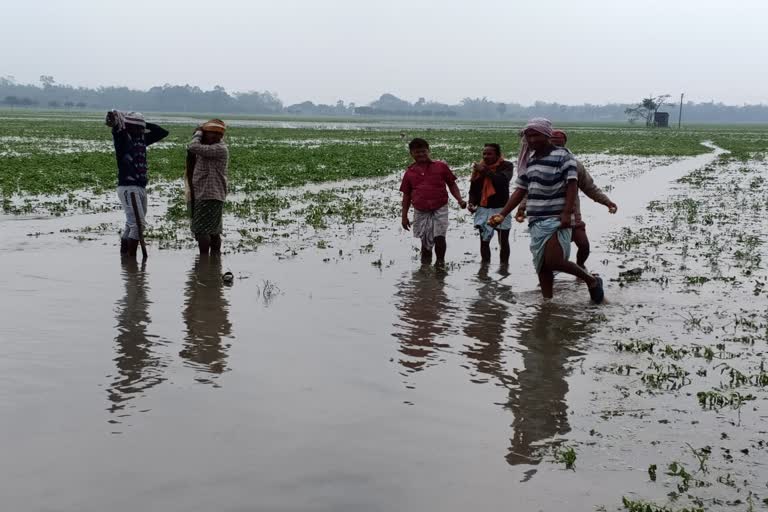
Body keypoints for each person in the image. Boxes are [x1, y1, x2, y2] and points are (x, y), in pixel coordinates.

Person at [489, 118, 604, 303]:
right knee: (542, 266)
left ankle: (591, 280)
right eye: (529, 136)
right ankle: (547, 303)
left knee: (554, 261)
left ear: (547, 135)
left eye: (536, 135)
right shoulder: (530, 160)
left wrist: (567, 213)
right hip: (536, 218)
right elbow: (520, 190)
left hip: (557, 217)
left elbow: (572, 185)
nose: (532, 140)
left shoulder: (564, 156)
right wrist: (503, 213)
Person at [515, 129, 617, 269]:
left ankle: (581, 268)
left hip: (571, 215)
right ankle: (553, 280)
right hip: (546, 217)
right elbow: (529, 189)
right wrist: (522, 206)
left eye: (560, 145)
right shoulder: (535, 162)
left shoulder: (573, 164)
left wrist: (607, 202)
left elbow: (589, 187)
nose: (558, 148)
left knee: (583, 244)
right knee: (549, 259)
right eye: (554, 143)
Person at [106, 110, 169, 258]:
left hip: (140, 187)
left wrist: (143, 123)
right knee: (138, 224)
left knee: (132, 223)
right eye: (137, 128)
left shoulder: (142, 139)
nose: (141, 130)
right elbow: (116, 127)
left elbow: (162, 132)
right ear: (129, 127)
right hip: (128, 187)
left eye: (141, 128)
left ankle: (125, 255)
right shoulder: (123, 139)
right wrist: (119, 120)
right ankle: (131, 261)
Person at [400, 138, 467, 265]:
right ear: (411, 154)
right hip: (421, 209)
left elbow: (452, 184)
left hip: (439, 207)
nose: (421, 154)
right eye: (417, 152)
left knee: (439, 237)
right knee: (425, 241)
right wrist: (404, 216)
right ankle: (425, 268)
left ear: (428, 151)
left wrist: (460, 200)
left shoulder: (440, 166)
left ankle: (440, 264)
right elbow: (407, 196)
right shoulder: (410, 172)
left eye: (423, 151)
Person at [186, 119, 229, 256]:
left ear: (219, 136)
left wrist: (198, 133)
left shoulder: (219, 148)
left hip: (209, 194)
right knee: (213, 231)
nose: (211, 136)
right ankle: (213, 264)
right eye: (209, 133)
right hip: (208, 194)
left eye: (212, 134)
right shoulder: (209, 148)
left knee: (202, 230)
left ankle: (204, 262)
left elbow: (192, 146)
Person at [467, 143, 515, 263]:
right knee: (484, 241)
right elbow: (473, 189)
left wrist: (485, 171)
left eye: (489, 154)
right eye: (484, 153)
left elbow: (502, 181)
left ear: (498, 155)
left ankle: (504, 268)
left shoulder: (506, 166)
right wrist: (471, 203)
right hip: (483, 208)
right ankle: (485, 268)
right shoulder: (479, 168)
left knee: (503, 241)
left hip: (501, 209)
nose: (485, 156)